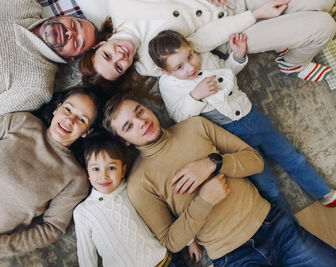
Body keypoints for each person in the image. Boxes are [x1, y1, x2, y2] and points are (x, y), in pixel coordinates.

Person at [102, 92, 336, 266]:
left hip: (274, 224)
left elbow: (255, 160)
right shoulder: (139, 183)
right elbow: (170, 241)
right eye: (128, 126)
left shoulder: (195, 126)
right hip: (234, 256)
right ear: (125, 141)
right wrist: (204, 201)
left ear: (148, 108)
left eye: (139, 111)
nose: (141, 122)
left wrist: (214, 162)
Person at [148, 29, 336, 210]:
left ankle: (323, 192)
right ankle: (287, 225)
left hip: (251, 115)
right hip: (229, 134)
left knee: (291, 156)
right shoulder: (169, 85)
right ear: (164, 70)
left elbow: (228, 74)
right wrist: (195, 96)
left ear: (190, 48)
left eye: (189, 56)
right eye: (179, 67)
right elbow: (179, 117)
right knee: (265, 182)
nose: (190, 67)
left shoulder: (204, 57)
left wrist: (237, 56)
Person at [0, 87, 100, 266]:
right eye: (68, 109)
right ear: (56, 108)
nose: (70, 119)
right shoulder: (23, 122)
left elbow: (52, 229)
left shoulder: (75, 178)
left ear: (87, 132)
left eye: (81, 119)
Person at [79, 0, 335, 85]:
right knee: (324, 26)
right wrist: (256, 15)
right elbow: (202, 41)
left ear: (97, 46)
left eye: (108, 56)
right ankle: (292, 62)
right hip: (228, 34)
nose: (120, 56)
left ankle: (287, 34)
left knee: (323, 2)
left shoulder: (121, 4)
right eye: (119, 67)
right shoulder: (148, 62)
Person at [0, 0, 97, 126]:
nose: (69, 33)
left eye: (77, 43)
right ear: (64, 16)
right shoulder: (23, 4)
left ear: (71, 59)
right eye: (74, 25)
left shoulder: (37, 84)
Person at [73, 132, 196, 266]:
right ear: (88, 173)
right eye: (96, 169)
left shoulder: (134, 189)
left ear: (123, 171)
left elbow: (166, 216)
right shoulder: (83, 212)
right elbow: (86, 257)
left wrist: (190, 242)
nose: (104, 175)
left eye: (111, 168)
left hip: (165, 262)